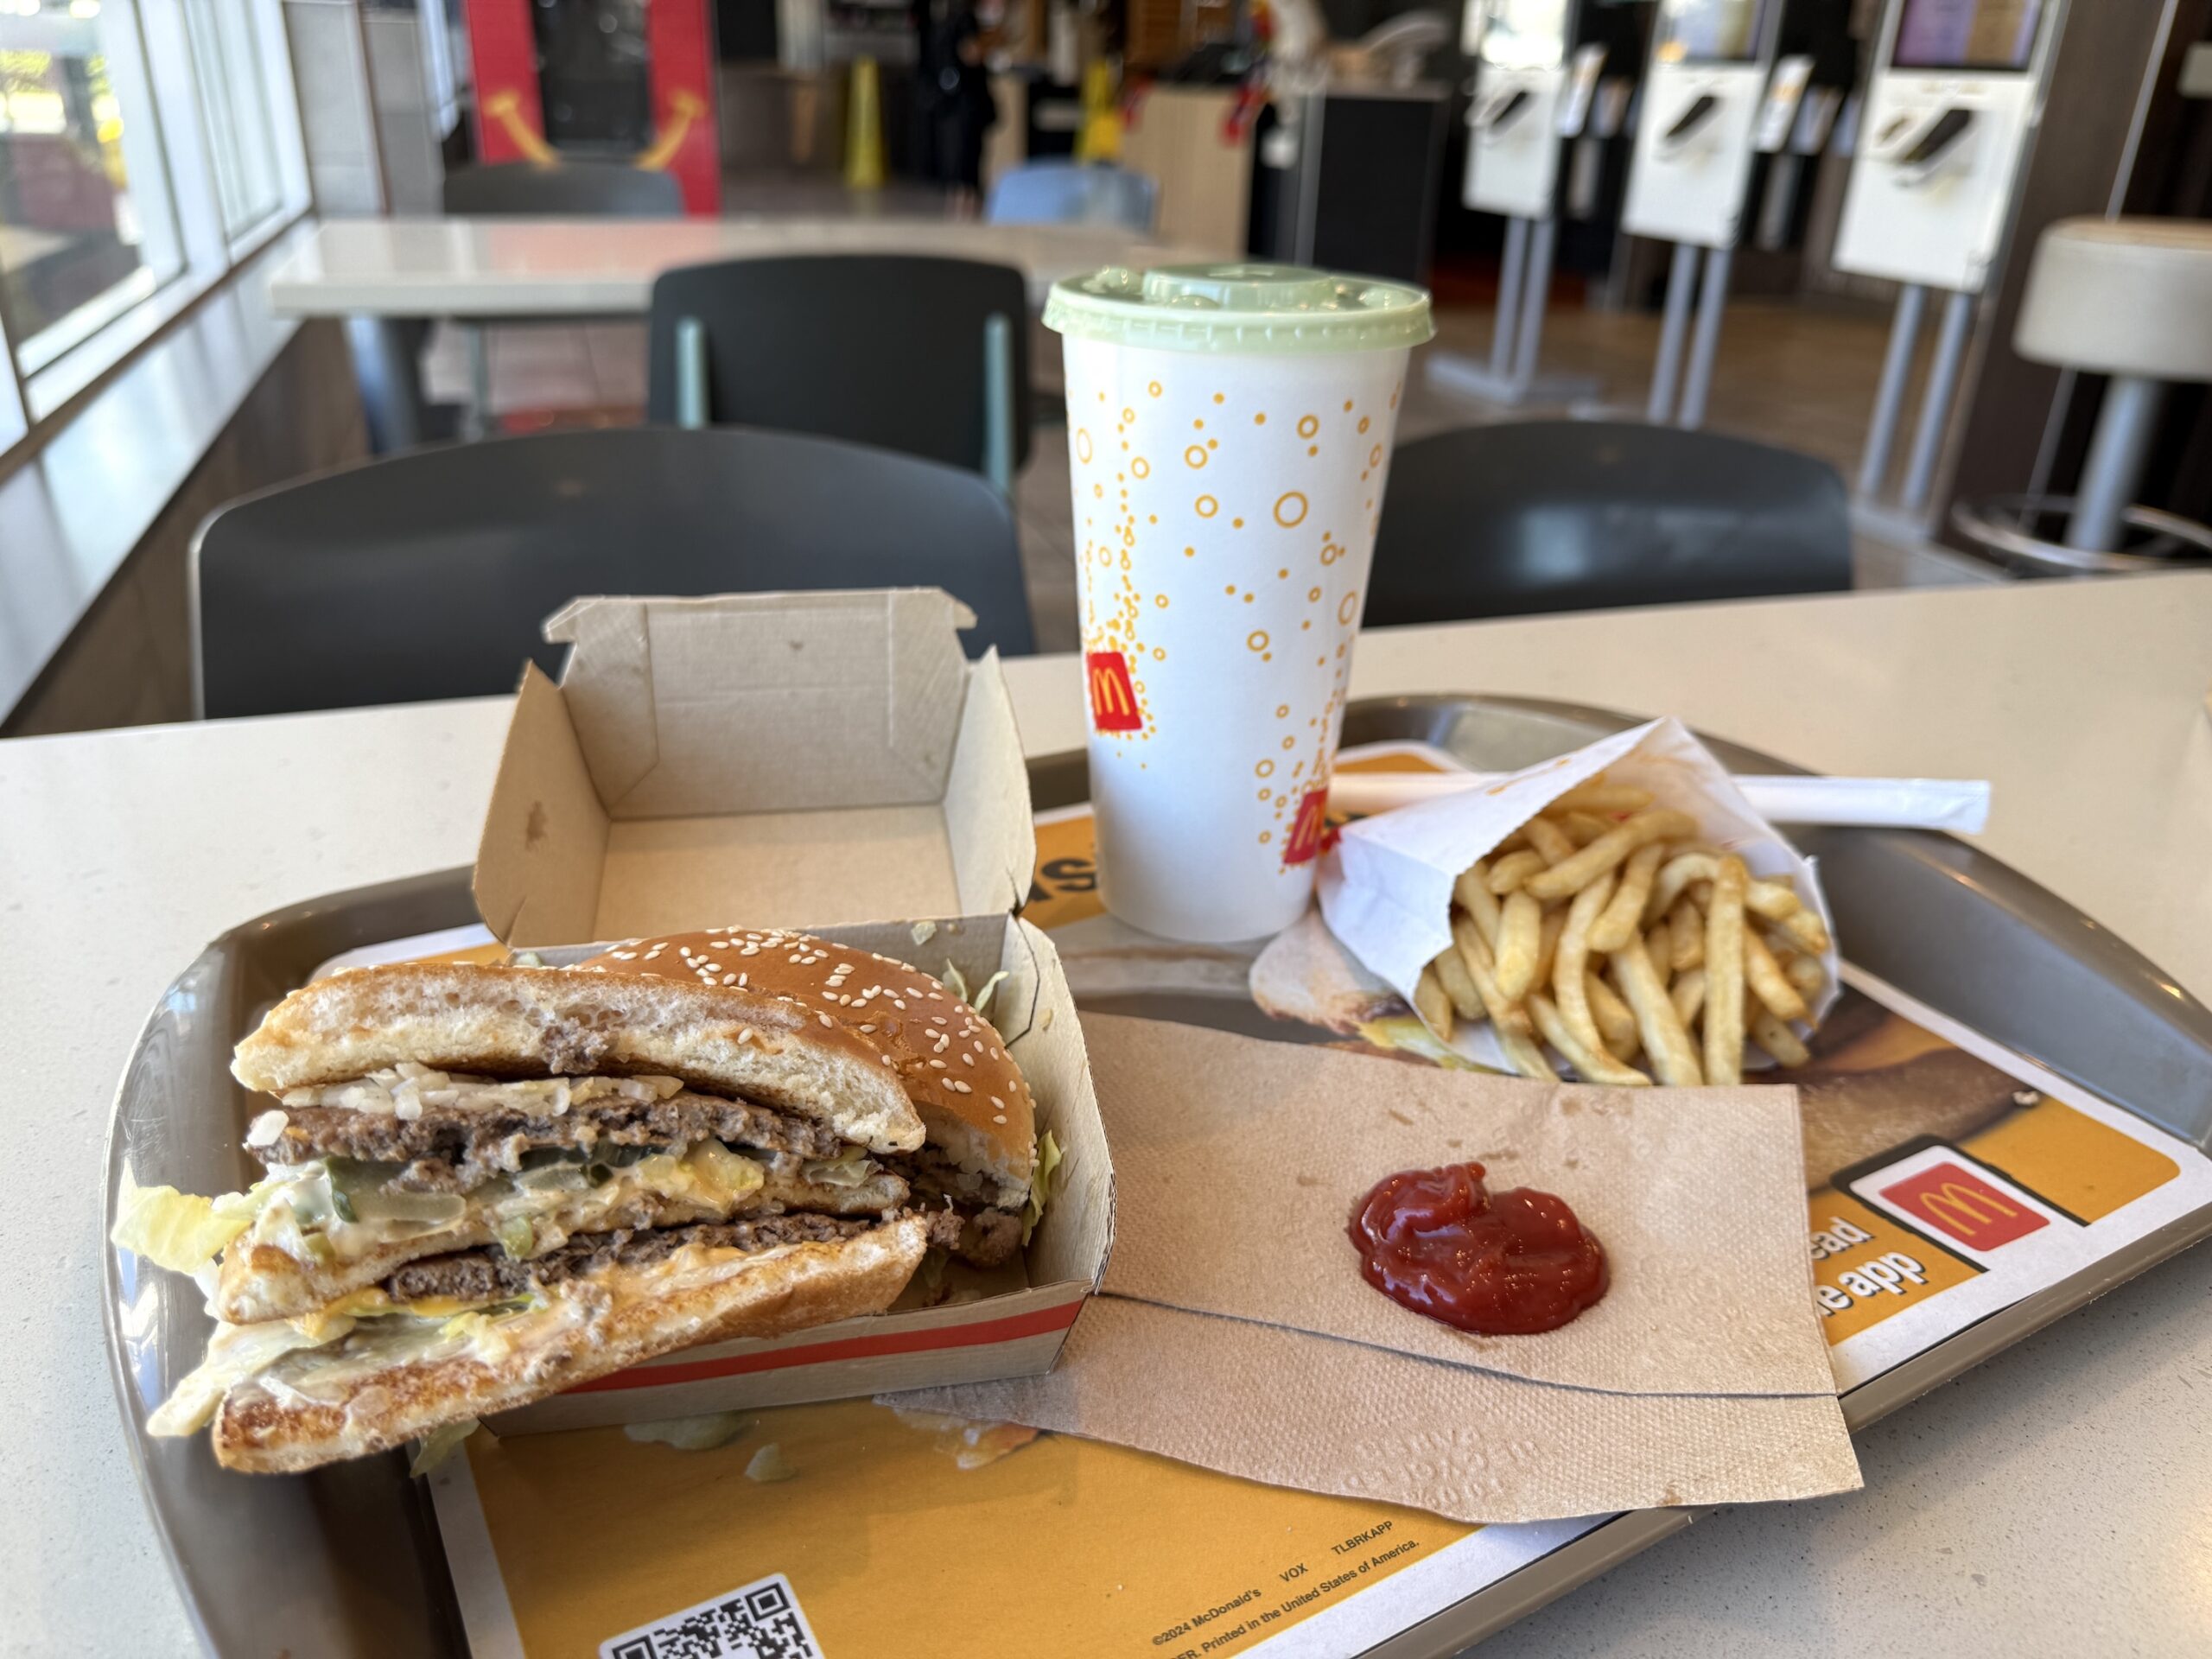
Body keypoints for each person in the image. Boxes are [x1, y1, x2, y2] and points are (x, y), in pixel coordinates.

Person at [914, 0, 998, 215]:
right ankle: (965, 203)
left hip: (952, 103)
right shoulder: (964, 19)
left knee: (958, 154)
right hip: (964, 103)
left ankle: (960, 202)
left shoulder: (944, 20)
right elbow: (971, 53)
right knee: (965, 155)